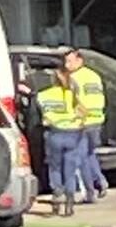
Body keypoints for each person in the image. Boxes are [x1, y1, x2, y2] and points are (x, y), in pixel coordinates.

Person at [33, 70, 86, 217]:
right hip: (73, 134)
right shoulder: (73, 95)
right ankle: (69, 203)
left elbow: (37, 115)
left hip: (54, 133)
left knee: (54, 167)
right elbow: (83, 113)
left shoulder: (43, 95)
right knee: (70, 169)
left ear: (52, 80)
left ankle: (57, 196)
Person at [64, 49, 109, 202]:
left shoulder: (74, 78)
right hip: (96, 120)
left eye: (70, 61)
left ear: (80, 61)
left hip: (82, 122)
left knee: (81, 158)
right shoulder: (94, 76)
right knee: (89, 154)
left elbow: (70, 101)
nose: (67, 65)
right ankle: (100, 181)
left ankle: (91, 192)